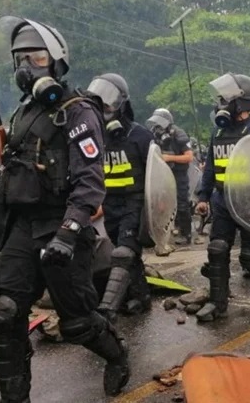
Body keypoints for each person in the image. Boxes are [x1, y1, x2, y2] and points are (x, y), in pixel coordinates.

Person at [0, 17, 129, 400]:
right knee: (6, 313)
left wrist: (69, 231)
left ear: (56, 61)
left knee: (77, 323)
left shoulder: (77, 111)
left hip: (61, 227)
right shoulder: (23, 111)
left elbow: (91, 181)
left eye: (37, 57)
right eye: (21, 59)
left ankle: (117, 356)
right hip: (23, 226)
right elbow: (11, 168)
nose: (27, 66)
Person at [194, 73, 250, 322]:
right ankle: (217, 303)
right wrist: (203, 197)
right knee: (217, 249)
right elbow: (210, 168)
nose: (221, 101)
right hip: (222, 200)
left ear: (241, 101)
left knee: (249, 256)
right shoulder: (218, 134)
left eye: (226, 97)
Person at [87, 73, 153, 320]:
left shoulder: (141, 136)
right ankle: (140, 295)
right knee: (127, 253)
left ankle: (107, 311)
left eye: (108, 103)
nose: (104, 109)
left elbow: (155, 176)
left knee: (123, 253)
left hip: (134, 202)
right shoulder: (96, 136)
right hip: (109, 203)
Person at [146, 108, 194, 245]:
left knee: (182, 204)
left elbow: (189, 157)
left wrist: (169, 157)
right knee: (160, 205)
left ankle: (186, 233)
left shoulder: (178, 134)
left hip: (179, 175)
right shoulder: (155, 134)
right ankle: (164, 231)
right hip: (163, 176)